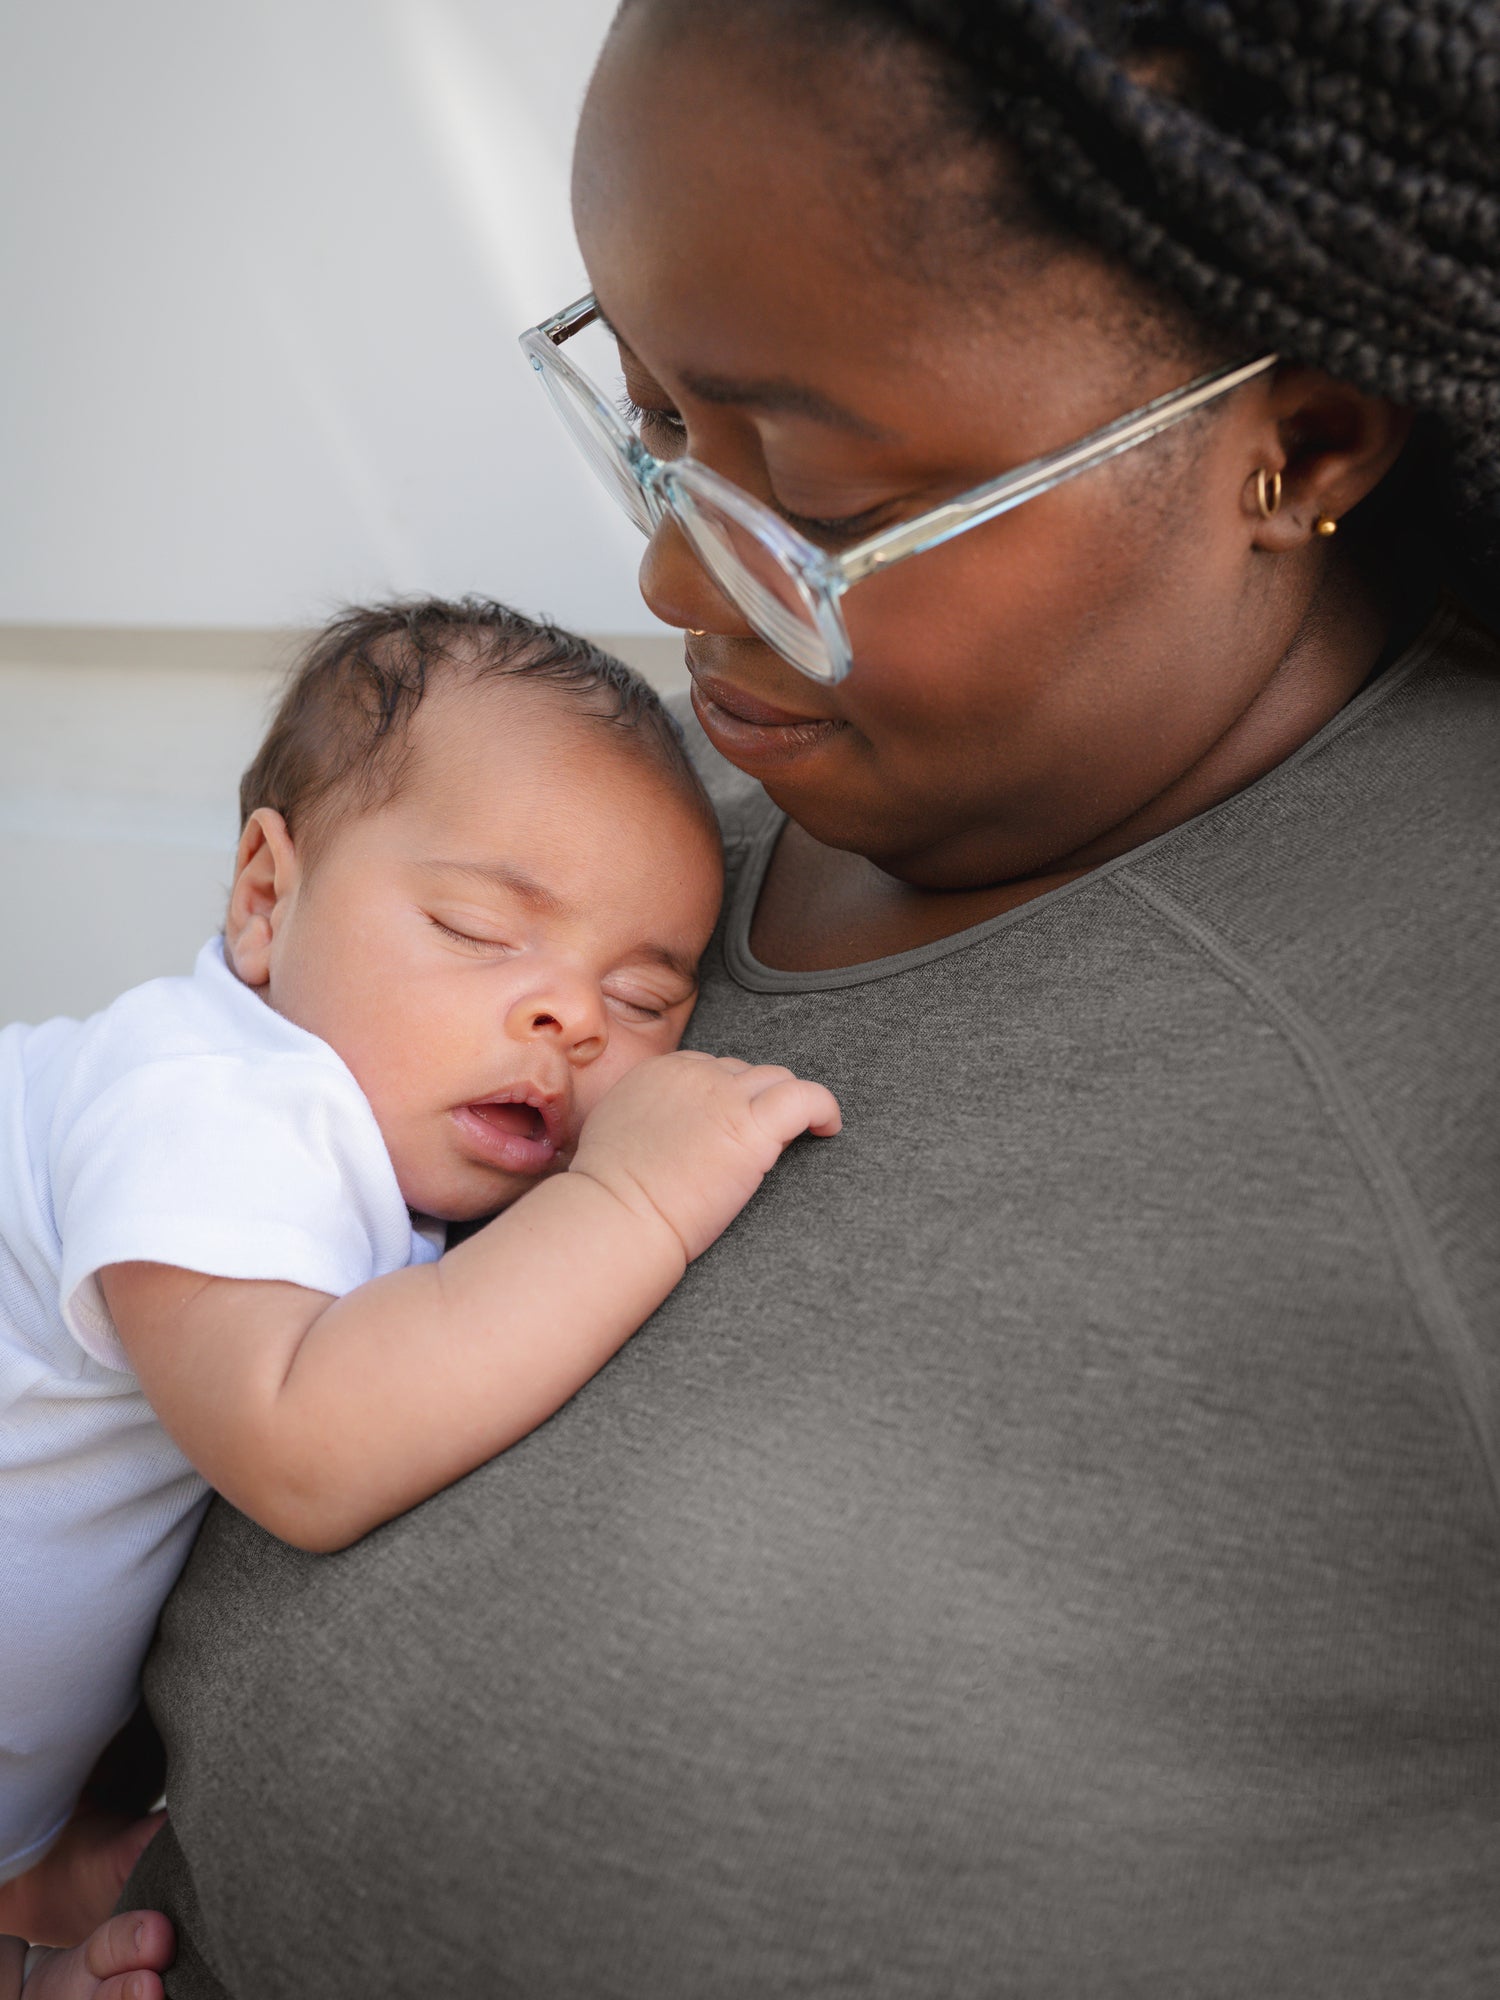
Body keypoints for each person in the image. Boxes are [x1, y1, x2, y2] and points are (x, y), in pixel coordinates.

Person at [124, 0, 1498, 1991]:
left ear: (1295, 450)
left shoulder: (1441, 1011)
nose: (678, 591)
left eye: (816, 502)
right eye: (656, 420)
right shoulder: (610, 872)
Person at [0, 597, 839, 1996]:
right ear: (268, 899)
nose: (569, 1017)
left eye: (642, 999)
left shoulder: (376, 1146)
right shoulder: (206, 1099)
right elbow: (303, 1442)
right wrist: (627, 1202)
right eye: (476, 928)